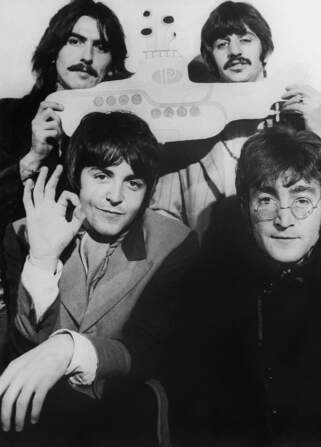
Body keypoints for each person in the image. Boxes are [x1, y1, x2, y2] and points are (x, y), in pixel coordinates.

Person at [184, 127, 321, 446]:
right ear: (246, 206)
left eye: (301, 199)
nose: (284, 219)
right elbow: (194, 416)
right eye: (267, 199)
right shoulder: (208, 284)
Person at [0, 111, 197, 446]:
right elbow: (20, 353)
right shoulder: (23, 232)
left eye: (133, 183)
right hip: (39, 424)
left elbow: (150, 351)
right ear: (77, 176)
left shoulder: (174, 241)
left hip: (123, 422)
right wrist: (42, 260)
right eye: (103, 176)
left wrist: (70, 349)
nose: (115, 196)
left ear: (148, 191)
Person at [0, 0, 131, 365]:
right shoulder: (8, 116)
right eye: (75, 41)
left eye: (100, 46)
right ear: (53, 49)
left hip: (90, 310)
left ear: (112, 63)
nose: (86, 56)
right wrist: (32, 157)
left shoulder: (122, 130)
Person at [152, 1, 321, 240]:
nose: (234, 51)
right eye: (222, 44)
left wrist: (319, 131)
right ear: (211, 57)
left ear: (264, 49)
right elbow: (160, 214)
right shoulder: (190, 131)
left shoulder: (297, 121)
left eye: (245, 39)